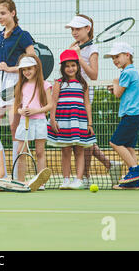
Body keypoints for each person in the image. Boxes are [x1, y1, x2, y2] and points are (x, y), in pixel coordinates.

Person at [66, 14, 122, 186]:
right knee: (79, 137)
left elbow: (94, 75)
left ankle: (85, 177)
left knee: (83, 138)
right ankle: (109, 164)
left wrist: (79, 57)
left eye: (77, 29)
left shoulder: (93, 49)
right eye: (72, 29)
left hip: (83, 96)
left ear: (87, 29)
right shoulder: (75, 46)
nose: (74, 32)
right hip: (70, 94)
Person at [0, 0, 37, 170]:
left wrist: (11, 68)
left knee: (15, 129)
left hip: (15, 83)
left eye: (3, 13)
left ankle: (16, 173)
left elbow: (33, 61)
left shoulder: (23, 35)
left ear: (13, 13)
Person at [47, 49, 96, 190]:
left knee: (80, 150)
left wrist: (89, 123)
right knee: (65, 150)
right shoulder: (58, 83)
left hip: (79, 121)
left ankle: (79, 180)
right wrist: (52, 119)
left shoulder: (83, 83)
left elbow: (87, 104)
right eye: (67, 66)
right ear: (63, 68)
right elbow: (53, 102)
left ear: (78, 66)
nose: (70, 68)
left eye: (73, 65)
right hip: (63, 121)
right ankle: (66, 179)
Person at [105, 42, 139, 190]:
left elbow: (118, 94)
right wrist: (115, 87)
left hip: (131, 116)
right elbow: (122, 92)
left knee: (115, 142)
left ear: (127, 55)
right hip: (135, 116)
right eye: (113, 58)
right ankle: (134, 182)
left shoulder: (127, 72)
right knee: (129, 147)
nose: (115, 60)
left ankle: (135, 170)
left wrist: (115, 83)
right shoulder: (131, 72)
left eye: (117, 56)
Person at [13, 54, 53, 190]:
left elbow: (50, 105)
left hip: (40, 122)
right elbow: (17, 107)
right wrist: (21, 112)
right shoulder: (21, 85)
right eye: (23, 70)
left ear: (36, 68)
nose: (26, 72)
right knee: (21, 152)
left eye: (29, 68)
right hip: (25, 123)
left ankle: (40, 182)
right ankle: (21, 182)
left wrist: (36, 111)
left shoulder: (45, 85)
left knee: (40, 152)